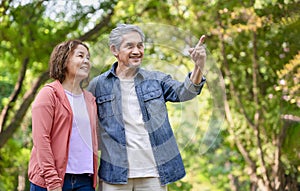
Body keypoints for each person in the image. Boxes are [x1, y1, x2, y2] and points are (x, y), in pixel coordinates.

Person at [88, 24, 206, 191]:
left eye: (140, 45)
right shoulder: (98, 85)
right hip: (115, 175)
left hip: (154, 174)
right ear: (114, 50)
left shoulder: (156, 79)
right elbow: (84, 122)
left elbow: (185, 92)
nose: (137, 51)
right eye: (130, 46)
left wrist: (199, 65)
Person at [28, 39, 99, 191]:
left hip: (84, 181)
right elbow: (41, 140)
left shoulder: (90, 100)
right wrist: (53, 182)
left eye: (88, 58)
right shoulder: (49, 94)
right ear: (64, 59)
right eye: (80, 56)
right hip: (51, 181)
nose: (86, 61)